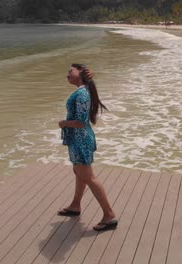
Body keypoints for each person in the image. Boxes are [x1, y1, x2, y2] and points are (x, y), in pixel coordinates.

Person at [58, 64, 117, 232]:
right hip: (78, 139)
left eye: (71, 71)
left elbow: (81, 122)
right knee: (79, 173)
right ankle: (76, 205)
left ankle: (109, 215)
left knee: (89, 177)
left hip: (81, 140)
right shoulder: (82, 90)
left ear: (81, 73)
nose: (67, 74)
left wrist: (64, 123)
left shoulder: (82, 94)